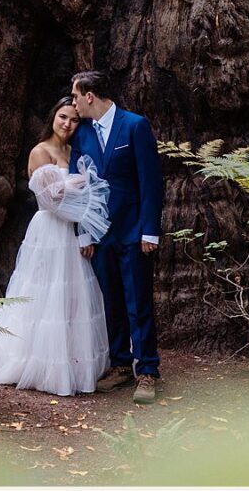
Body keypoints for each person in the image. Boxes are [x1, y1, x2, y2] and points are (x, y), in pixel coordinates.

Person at [0, 96, 111, 396]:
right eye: (63, 117)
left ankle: (71, 362)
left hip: (71, 232)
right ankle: (35, 362)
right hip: (49, 228)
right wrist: (76, 187)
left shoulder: (74, 151)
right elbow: (50, 200)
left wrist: (85, 230)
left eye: (74, 120)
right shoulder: (40, 152)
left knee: (71, 294)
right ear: (53, 116)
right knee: (42, 293)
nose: (67, 124)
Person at [69, 69, 165, 405]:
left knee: (137, 301)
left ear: (90, 95)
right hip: (99, 234)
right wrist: (83, 233)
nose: (73, 104)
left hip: (133, 231)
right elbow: (76, 186)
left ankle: (148, 370)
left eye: (76, 97)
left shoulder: (135, 125)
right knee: (110, 301)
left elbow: (151, 182)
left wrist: (149, 229)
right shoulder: (82, 134)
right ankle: (121, 365)